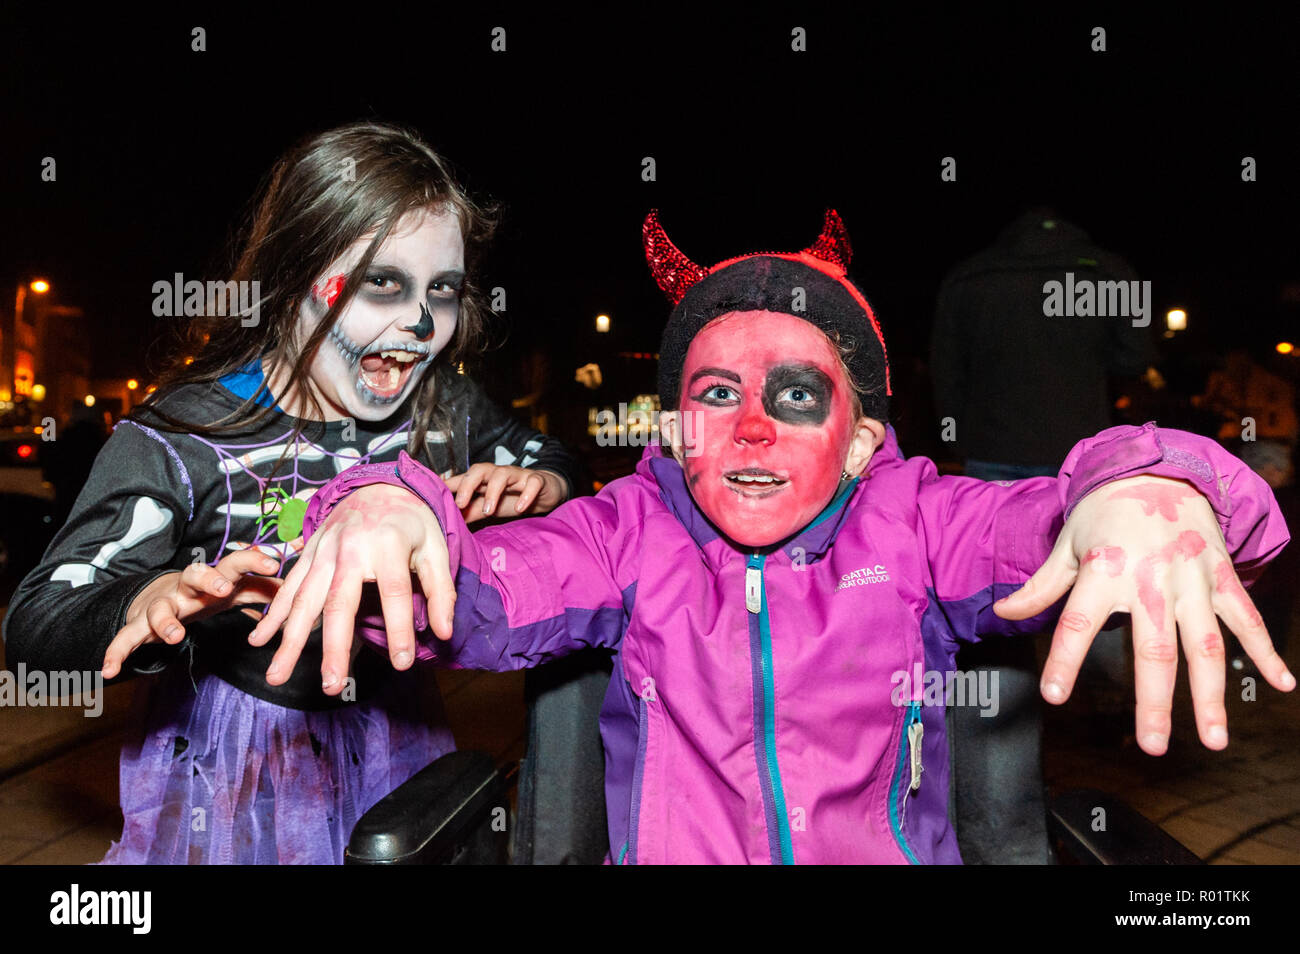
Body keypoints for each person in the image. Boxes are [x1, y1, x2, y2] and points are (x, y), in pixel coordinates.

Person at [252, 210, 1291, 864]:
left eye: (796, 395)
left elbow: (1047, 517)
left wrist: (1147, 484)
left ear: (859, 440)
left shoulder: (920, 521)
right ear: (674, 427)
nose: (750, 426)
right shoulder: (627, 529)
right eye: (714, 394)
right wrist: (391, 505)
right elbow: (478, 586)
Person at [1, 121, 584, 864]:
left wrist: (540, 482)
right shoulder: (184, 438)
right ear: (289, 279)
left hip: (393, 738)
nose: (420, 321)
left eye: (443, 289)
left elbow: (556, 460)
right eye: (382, 283)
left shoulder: (442, 410)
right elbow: (36, 621)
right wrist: (143, 598)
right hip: (233, 770)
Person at [929, 208, 1157, 862]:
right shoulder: (1105, 270)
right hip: (1076, 462)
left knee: (996, 608)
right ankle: (1110, 700)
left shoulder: (971, 277)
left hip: (993, 463)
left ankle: (1003, 765)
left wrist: (957, 435)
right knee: (1099, 575)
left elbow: (947, 367)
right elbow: (1135, 355)